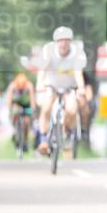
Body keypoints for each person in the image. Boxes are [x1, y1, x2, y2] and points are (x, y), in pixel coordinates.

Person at [35, 27, 86, 157]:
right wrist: (40, 83)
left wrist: (81, 88)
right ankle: (43, 140)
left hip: (69, 87)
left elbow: (78, 72)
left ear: (70, 41)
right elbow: (42, 68)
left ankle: (68, 131)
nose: (63, 44)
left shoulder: (77, 53)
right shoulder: (48, 50)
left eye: (66, 41)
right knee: (46, 107)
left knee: (72, 109)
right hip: (52, 86)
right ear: (56, 42)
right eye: (60, 41)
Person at [4, 72, 37, 154]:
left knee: (26, 122)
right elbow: (8, 100)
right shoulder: (12, 86)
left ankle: (25, 139)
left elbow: (33, 101)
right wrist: (10, 109)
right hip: (16, 104)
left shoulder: (29, 86)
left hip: (26, 105)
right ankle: (15, 130)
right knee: (15, 112)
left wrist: (32, 111)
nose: (21, 89)